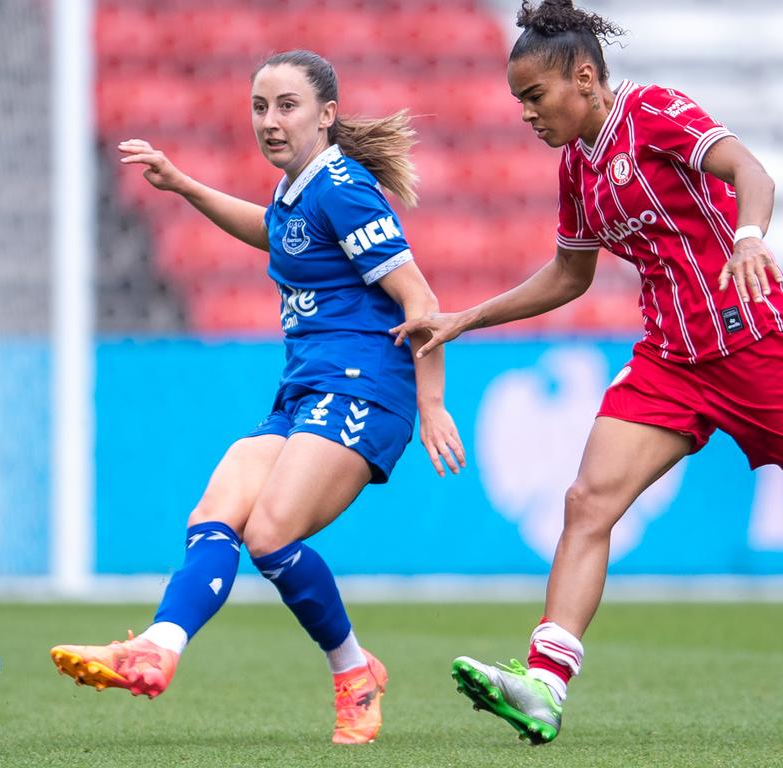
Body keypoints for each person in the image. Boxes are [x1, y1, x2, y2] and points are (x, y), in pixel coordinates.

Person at [392, 0, 783, 746]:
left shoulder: (655, 111)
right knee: (587, 501)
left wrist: (750, 236)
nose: (528, 116)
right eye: (519, 104)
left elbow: (749, 170)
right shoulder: (577, 168)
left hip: (749, 338)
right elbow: (569, 277)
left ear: (583, 77)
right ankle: (544, 684)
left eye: (535, 98)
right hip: (670, 360)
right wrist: (465, 318)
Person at [50, 49, 464, 744]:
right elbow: (274, 234)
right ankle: (158, 647)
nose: (270, 121)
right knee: (216, 513)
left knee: (270, 533)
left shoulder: (342, 186)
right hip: (305, 391)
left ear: (327, 114)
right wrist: (184, 185)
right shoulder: (297, 189)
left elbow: (420, 298)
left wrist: (431, 402)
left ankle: (352, 676)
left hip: (364, 387)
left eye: (287, 106)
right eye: (260, 107)